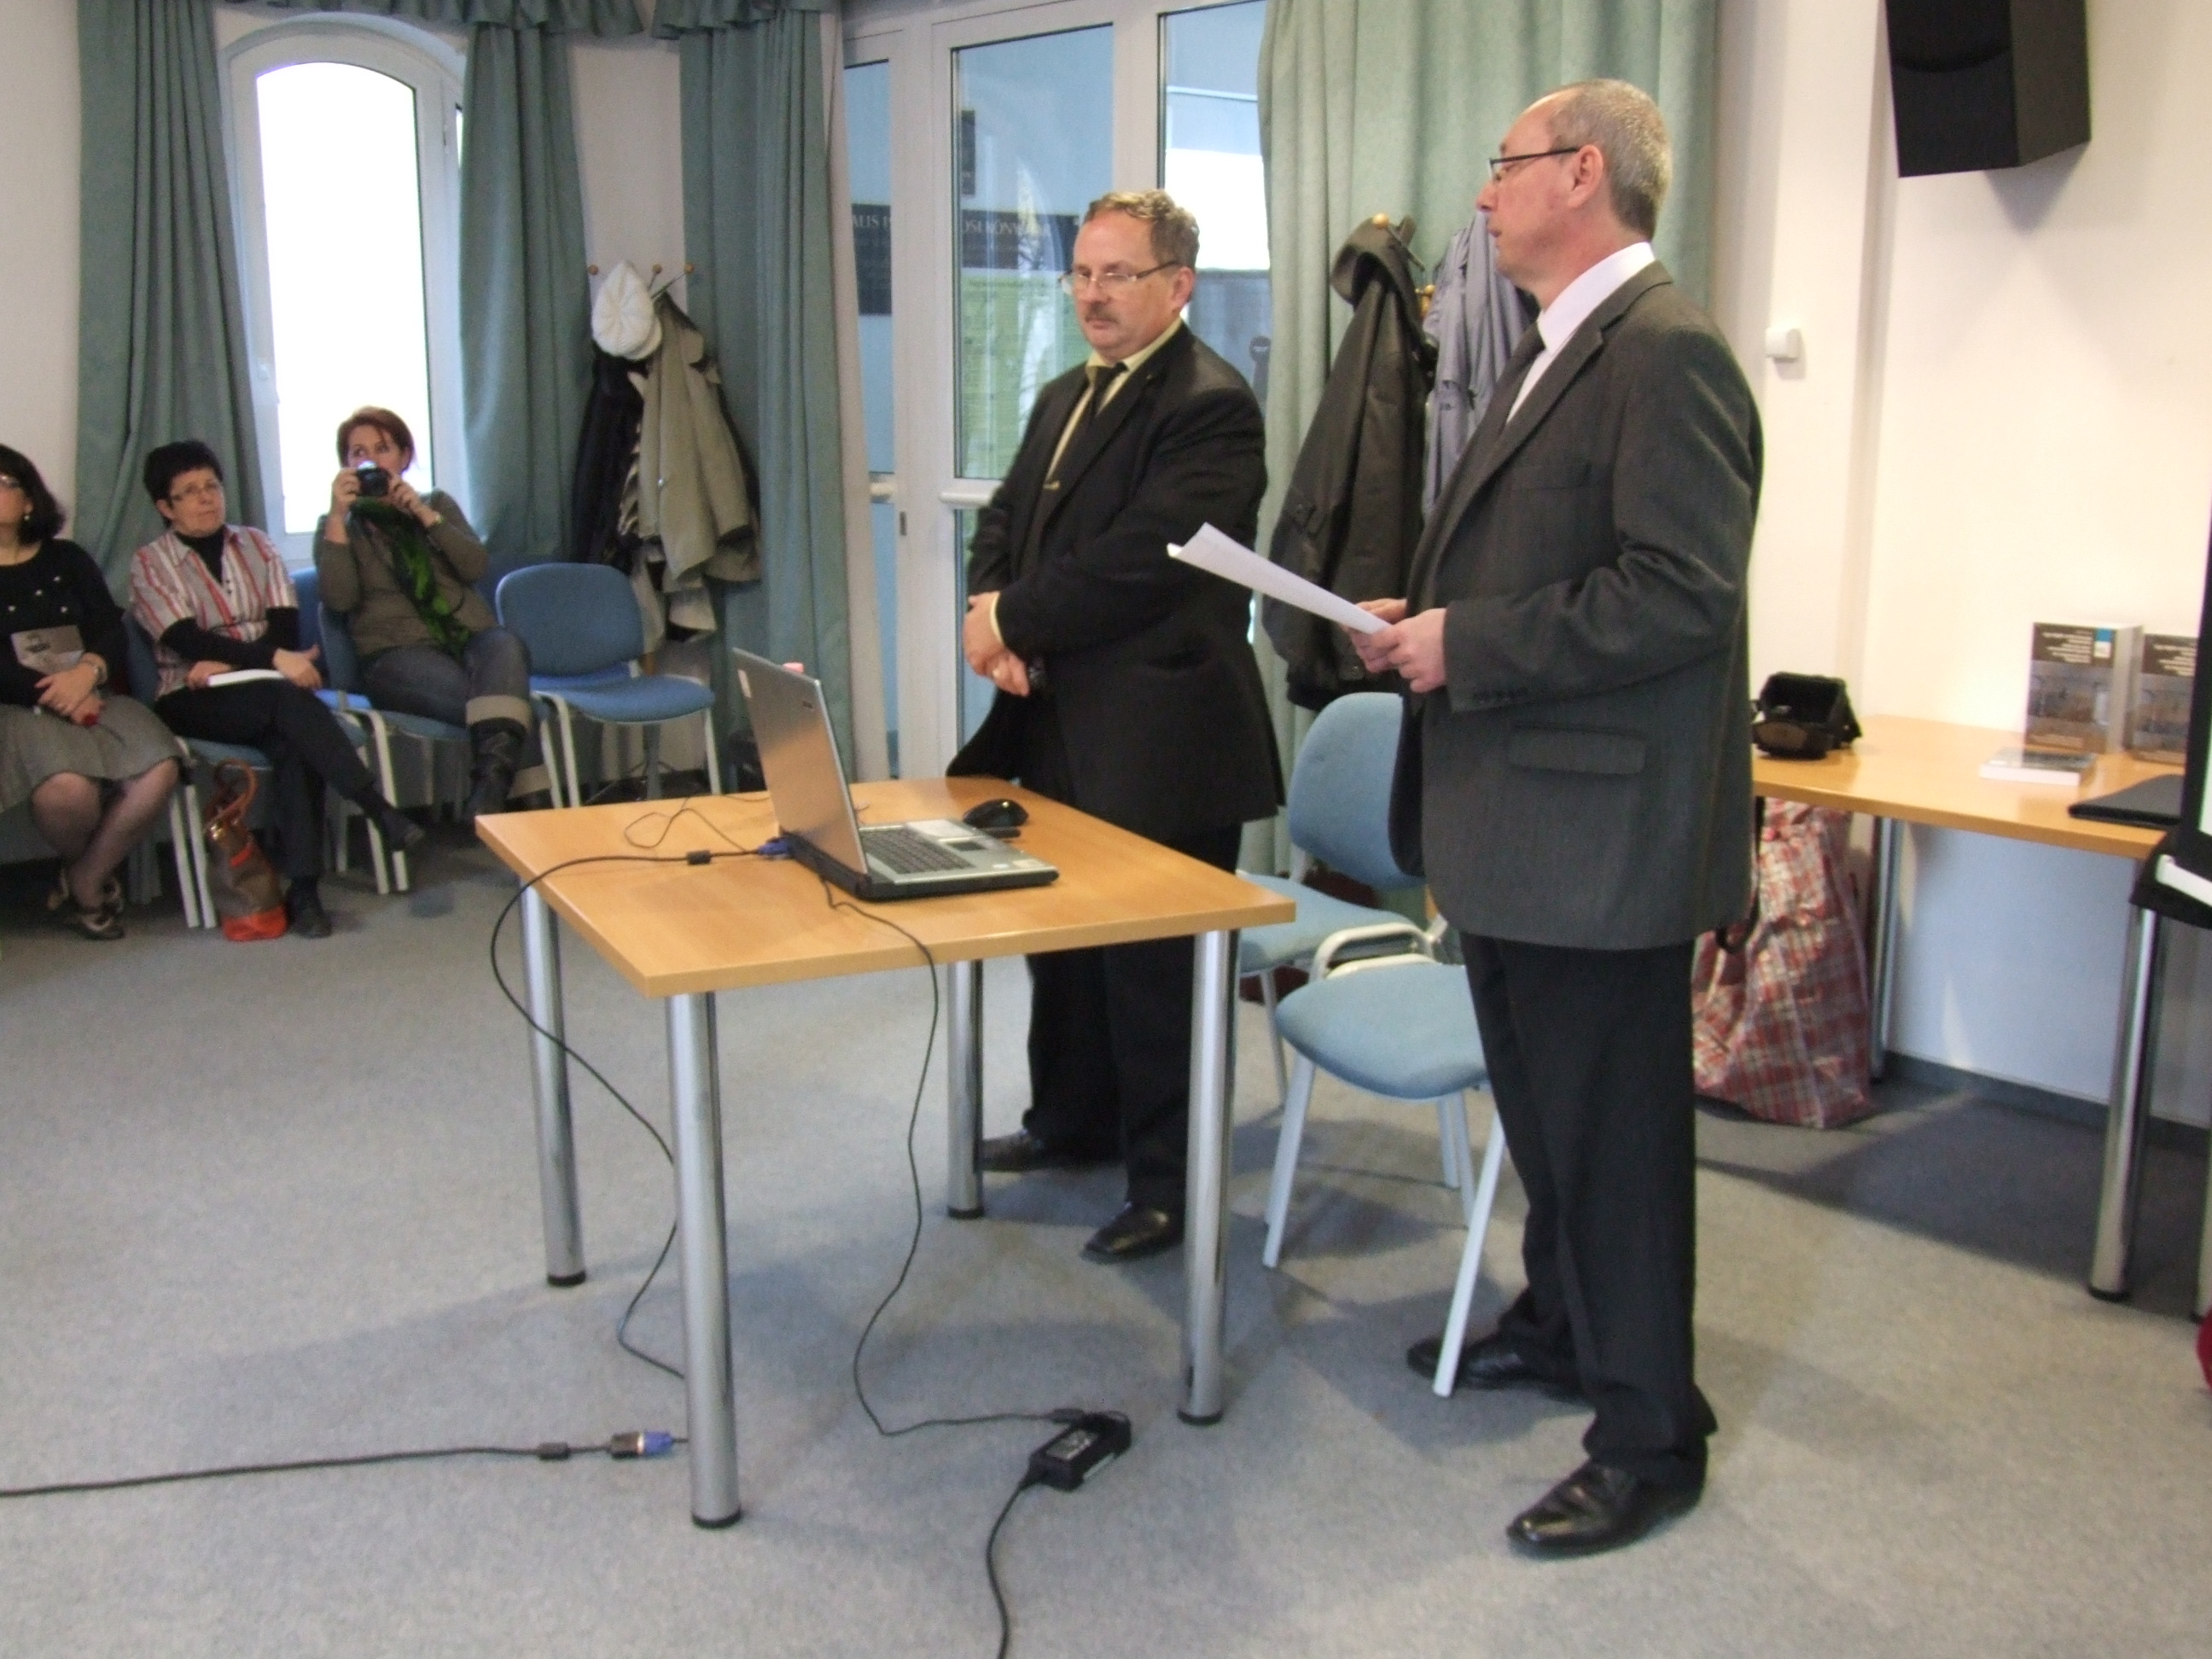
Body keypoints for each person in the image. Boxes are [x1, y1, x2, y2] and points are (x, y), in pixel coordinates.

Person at [1351, 81, 1761, 1556]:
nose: (1482, 195)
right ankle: (1564, 1321)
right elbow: (1538, 557)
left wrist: (1470, 641)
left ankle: (1651, 1436)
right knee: (1547, 1121)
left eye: (1504, 165)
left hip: (1597, 844)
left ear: (1583, 171)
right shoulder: (1554, 347)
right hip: (1517, 827)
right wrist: (1422, 616)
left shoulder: (1666, 351)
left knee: (1617, 1148)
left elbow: (1680, 592)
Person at [952, 189, 1279, 1264]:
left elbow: (1143, 559)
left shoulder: (1212, 406)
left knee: (1156, 976)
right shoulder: (1065, 393)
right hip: (1054, 716)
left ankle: (1171, 1188)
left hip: (1163, 738)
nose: (1092, 295)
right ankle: (1070, 1121)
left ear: (1178, 286)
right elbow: (1008, 521)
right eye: (1082, 274)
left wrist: (1011, 618)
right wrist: (991, 615)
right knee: (1065, 952)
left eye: (1117, 275)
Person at [131, 440, 425, 940]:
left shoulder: (257, 545)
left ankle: (305, 891)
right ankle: (376, 808)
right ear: (165, 506)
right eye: (189, 492)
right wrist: (270, 659)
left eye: (211, 486)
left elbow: (284, 627)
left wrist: (236, 660)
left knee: (294, 741)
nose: (206, 499)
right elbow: (184, 640)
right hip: (190, 695)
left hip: (262, 685)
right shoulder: (150, 562)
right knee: (288, 700)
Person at [313, 407, 546, 818]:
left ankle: (489, 794)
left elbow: (474, 567)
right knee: (508, 701)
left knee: (506, 645)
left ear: (403, 457)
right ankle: (522, 809)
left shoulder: (436, 504)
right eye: (358, 453)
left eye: (382, 449)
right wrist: (336, 516)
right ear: (346, 465)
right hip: (395, 655)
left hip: (468, 638)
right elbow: (340, 600)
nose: (371, 461)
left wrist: (424, 517)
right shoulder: (339, 527)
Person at [0, 445, 180, 940]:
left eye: (3, 484)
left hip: (93, 686)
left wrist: (87, 673)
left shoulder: (67, 558)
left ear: (29, 500)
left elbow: (109, 627)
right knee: (68, 791)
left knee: (159, 767)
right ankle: (90, 875)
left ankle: (83, 877)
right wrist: (58, 690)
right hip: (18, 704)